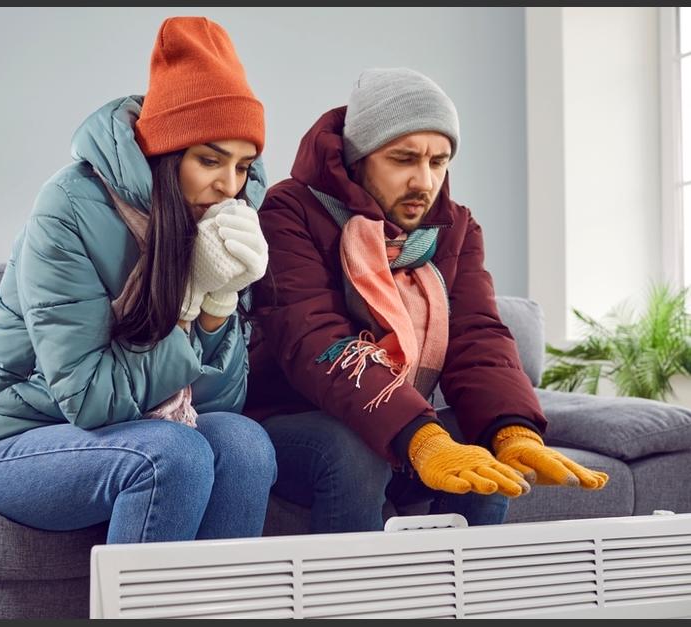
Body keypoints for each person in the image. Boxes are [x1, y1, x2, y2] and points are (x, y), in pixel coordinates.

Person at [0, 16, 276, 544]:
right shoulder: (68, 209)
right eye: (210, 160)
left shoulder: (216, 223)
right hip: (0, 437)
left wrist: (219, 300)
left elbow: (217, 405)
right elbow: (89, 400)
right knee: (174, 458)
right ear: (166, 152)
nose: (228, 187)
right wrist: (186, 304)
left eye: (243, 166)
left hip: (123, 429)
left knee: (245, 444)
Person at [245, 67, 608, 533]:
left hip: (401, 418)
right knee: (353, 452)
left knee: (492, 460)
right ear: (358, 159)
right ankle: (350, 602)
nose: (425, 181)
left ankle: (464, 599)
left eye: (438, 162)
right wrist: (420, 436)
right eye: (404, 159)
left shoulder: (455, 228)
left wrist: (511, 431)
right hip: (295, 418)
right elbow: (315, 341)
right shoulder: (289, 211)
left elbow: (478, 337)